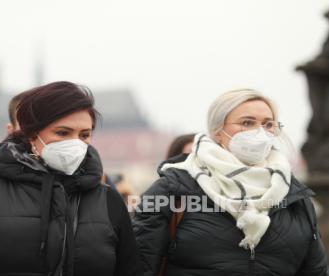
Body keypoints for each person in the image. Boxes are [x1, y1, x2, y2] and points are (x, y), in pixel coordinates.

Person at [0, 81, 142, 276]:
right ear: (32, 134)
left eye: (85, 135)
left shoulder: (108, 200)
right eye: (63, 132)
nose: (75, 143)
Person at [133, 89, 328, 275]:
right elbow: (141, 264)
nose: (259, 132)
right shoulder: (173, 189)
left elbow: (315, 269)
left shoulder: (293, 195)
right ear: (217, 131)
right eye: (247, 122)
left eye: (268, 124)